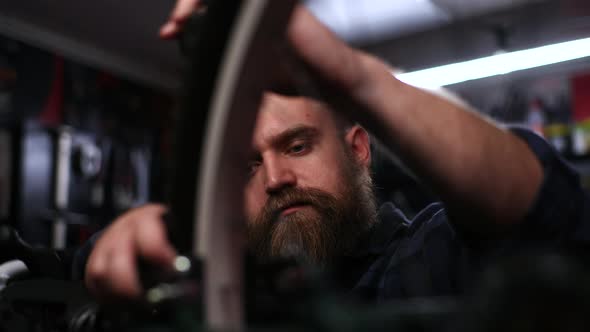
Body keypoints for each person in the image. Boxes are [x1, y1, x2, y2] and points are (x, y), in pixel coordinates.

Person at [82, 1, 589, 302]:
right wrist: (124, 247)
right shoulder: (226, 288)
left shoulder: (426, 260)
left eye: (297, 145)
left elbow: (551, 214)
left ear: (359, 148)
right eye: (248, 164)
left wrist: (357, 77)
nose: (275, 177)